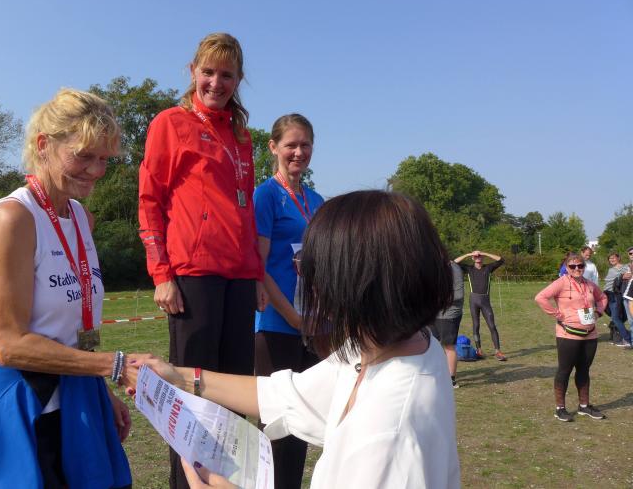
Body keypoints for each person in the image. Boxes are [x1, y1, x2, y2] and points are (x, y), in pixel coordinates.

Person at [135, 190, 461, 489]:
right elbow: (287, 395)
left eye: (313, 269)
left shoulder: (386, 435)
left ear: (356, 283)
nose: (310, 283)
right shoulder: (392, 345)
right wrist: (180, 377)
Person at [0, 89, 150, 489]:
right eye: (83, 155)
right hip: (17, 399)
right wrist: (114, 366)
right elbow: (9, 345)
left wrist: (99, 391)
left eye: (104, 159)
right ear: (43, 146)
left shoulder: (82, 217)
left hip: (73, 393)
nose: (96, 170)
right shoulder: (13, 217)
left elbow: (70, 326)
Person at [138, 32, 266, 489]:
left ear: (239, 79)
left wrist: (256, 275)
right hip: (193, 277)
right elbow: (150, 201)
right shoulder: (170, 123)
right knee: (192, 401)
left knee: (233, 394)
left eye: (226, 74)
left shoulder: (241, 135)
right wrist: (162, 274)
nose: (216, 82)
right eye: (208, 72)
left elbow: (245, 210)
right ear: (193, 72)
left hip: (238, 278)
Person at [252, 113, 324, 488]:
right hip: (277, 324)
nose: (298, 152)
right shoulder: (265, 195)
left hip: (313, 324)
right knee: (277, 424)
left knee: (304, 421)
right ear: (273, 147)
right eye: (290, 145)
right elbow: (258, 266)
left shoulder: (317, 200)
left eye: (305, 144)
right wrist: (294, 318)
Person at [534, 252, 608, 422]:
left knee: (584, 370)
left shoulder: (589, 284)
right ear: (566, 268)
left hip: (590, 334)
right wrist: (557, 314)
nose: (576, 269)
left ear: (584, 267)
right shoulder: (561, 282)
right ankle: (560, 408)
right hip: (568, 334)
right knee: (564, 370)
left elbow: (603, 297)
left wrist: (598, 312)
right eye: (572, 266)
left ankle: (584, 406)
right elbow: (540, 297)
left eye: (580, 265)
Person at [454, 250, 507, 361]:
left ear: (482, 258)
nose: (478, 257)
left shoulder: (488, 268)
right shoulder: (469, 269)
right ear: (473, 258)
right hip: (474, 300)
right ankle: (479, 350)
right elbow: (454, 262)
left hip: (485, 301)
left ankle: (498, 351)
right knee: (476, 325)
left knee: (492, 325)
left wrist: (485, 253)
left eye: (479, 256)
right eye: (476, 256)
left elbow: (501, 260)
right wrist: (469, 254)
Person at [430, 260, 465, 388]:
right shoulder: (433, 266)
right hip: (433, 313)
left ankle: (451, 380)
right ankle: (436, 374)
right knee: (432, 345)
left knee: (448, 346)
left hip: (449, 314)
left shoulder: (454, 268)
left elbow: (458, 295)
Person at [603, 252, 631, 347]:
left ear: (618, 258)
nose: (611, 260)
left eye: (613, 258)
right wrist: (621, 276)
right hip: (608, 294)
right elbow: (608, 281)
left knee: (617, 317)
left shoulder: (626, 267)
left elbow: (628, 276)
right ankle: (616, 334)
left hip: (617, 295)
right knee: (613, 316)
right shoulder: (610, 270)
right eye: (610, 258)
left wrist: (622, 276)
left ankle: (627, 338)